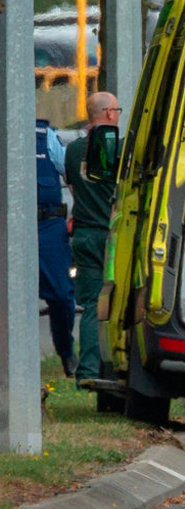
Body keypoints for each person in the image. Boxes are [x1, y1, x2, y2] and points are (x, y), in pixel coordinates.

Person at [65, 92, 120, 386]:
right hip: (109, 235)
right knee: (115, 303)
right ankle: (111, 367)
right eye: (117, 109)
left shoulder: (72, 151)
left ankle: (87, 372)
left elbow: (74, 189)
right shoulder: (117, 147)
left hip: (84, 234)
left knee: (89, 304)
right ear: (109, 113)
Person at [37, 119, 78, 377]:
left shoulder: (45, 135)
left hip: (47, 225)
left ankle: (66, 352)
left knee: (62, 294)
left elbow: (70, 174)